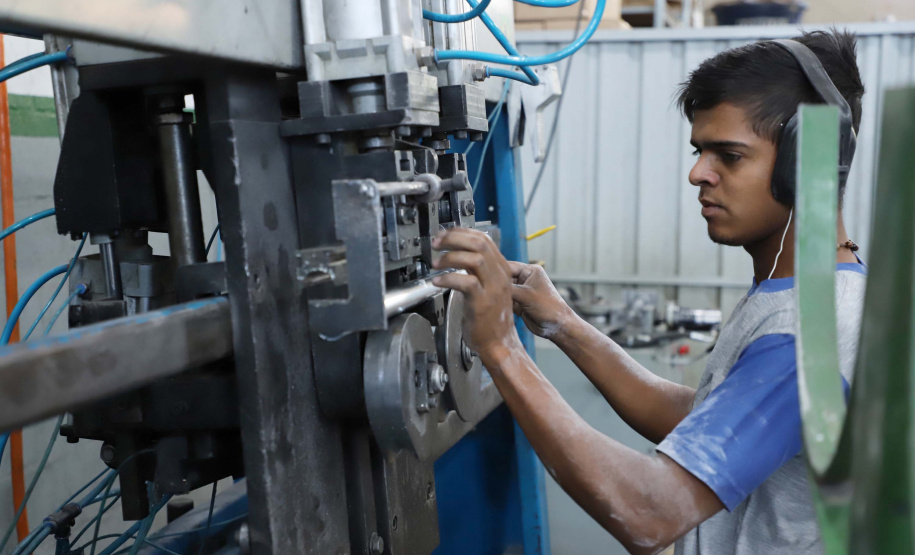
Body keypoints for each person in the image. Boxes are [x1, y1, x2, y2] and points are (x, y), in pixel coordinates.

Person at [431, 29, 867, 554]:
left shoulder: (807, 338)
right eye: (699, 150)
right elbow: (706, 421)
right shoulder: (814, 292)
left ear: (813, 164)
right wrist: (564, 325)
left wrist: (500, 347)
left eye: (728, 155)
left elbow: (650, 513)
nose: (696, 173)